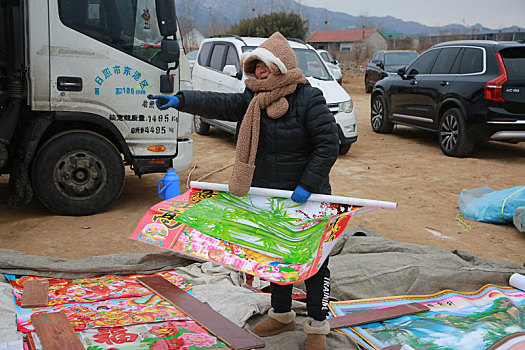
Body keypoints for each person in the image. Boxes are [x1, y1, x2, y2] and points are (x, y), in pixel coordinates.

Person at [148, 32, 339, 350]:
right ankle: (281, 314)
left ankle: (318, 326)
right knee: (278, 256)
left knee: (313, 261)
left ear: (279, 65)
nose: (258, 72)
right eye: (254, 67)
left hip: (308, 197)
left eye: (263, 66)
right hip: (270, 196)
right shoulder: (254, 100)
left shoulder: (309, 98)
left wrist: (308, 184)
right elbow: (218, 102)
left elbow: (327, 144)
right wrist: (182, 100)